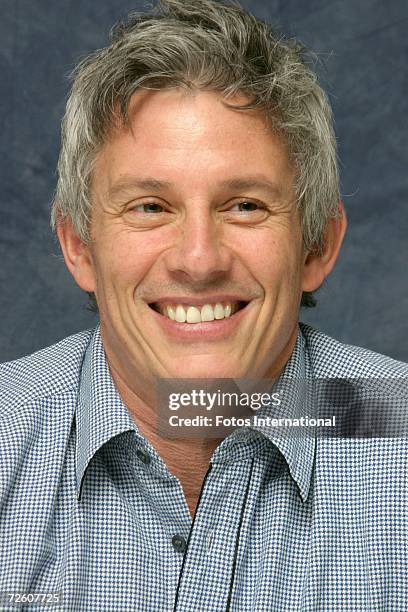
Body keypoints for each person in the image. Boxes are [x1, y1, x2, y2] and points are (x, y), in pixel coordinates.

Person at [0, 0, 406, 610]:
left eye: (244, 205)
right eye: (150, 207)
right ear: (80, 247)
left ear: (317, 245)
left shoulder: (394, 434)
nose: (199, 259)